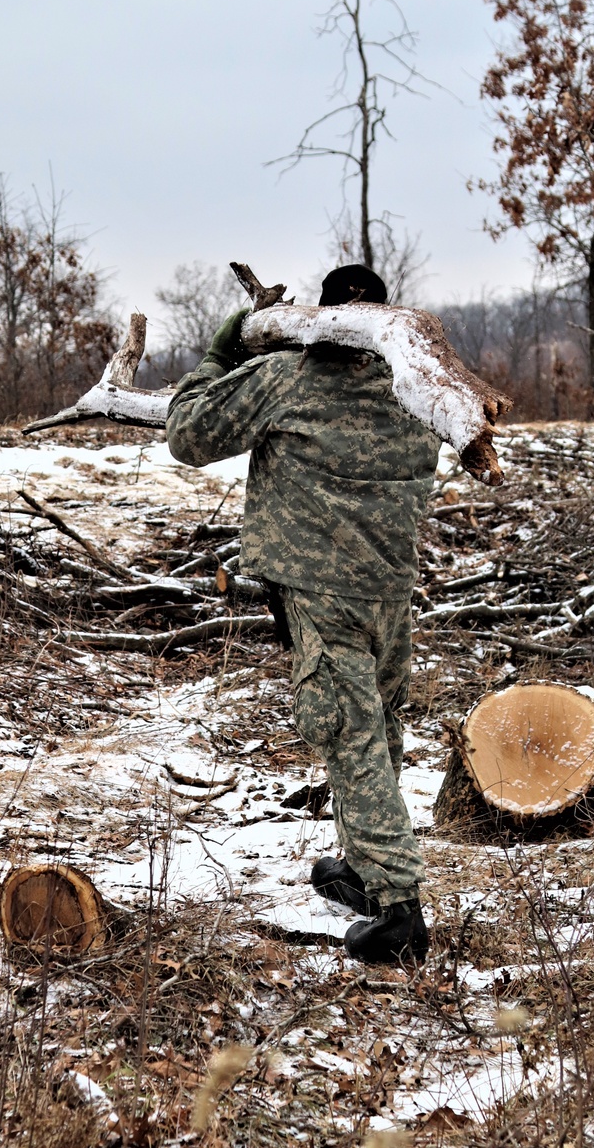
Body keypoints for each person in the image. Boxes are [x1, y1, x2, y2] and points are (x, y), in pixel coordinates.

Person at [165, 264, 439, 965]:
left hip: (323, 593)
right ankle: (362, 866)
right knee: (378, 729)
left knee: (350, 736)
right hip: (390, 588)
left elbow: (188, 435)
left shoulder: (289, 379)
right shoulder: (421, 388)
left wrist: (225, 352)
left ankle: (400, 909)